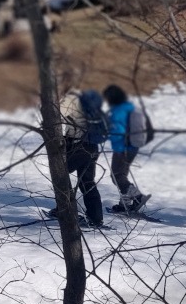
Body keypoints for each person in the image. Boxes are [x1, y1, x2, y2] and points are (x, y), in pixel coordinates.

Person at [46, 89, 104, 227]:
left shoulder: (71, 98)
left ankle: (66, 210)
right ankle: (96, 218)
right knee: (87, 181)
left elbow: (56, 116)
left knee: (60, 173)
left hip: (79, 145)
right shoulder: (87, 99)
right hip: (91, 145)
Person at [103, 84, 148, 212]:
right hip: (134, 146)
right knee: (122, 175)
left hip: (123, 147)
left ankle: (137, 196)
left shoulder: (118, 110)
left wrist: (105, 131)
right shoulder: (130, 107)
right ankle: (124, 204)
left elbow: (117, 129)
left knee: (116, 175)